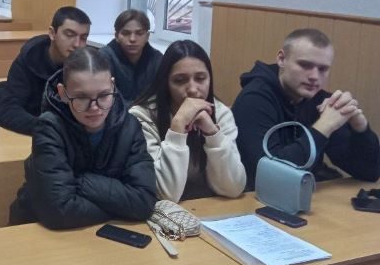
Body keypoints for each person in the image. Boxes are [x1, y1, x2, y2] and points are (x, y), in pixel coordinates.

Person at [9, 47, 157, 229]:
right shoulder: (49, 127)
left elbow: (144, 201)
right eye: (81, 97)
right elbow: (59, 211)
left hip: (98, 231)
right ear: (63, 93)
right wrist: (120, 208)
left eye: (103, 95)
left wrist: (80, 181)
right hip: (35, 228)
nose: (94, 107)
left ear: (112, 86)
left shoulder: (130, 126)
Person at [233, 28, 380, 189]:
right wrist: (324, 126)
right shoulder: (253, 99)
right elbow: (269, 177)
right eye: (305, 65)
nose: (314, 77)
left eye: (323, 69)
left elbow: (370, 172)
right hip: (257, 198)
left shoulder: (321, 101)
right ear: (281, 59)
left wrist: (360, 128)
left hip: (307, 192)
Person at [129, 40, 246, 202]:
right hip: (161, 211)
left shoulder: (220, 113)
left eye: (200, 78)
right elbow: (165, 194)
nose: (192, 89)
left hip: (205, 207)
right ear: (166, 83)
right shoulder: (142, 117)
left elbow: (233, 188)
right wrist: (177, 128)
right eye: (180, 80)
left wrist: (212, 133)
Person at [0, 6, 91, 135]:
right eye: (69, 35)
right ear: (52, 33)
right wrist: (51, 129)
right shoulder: (28, 60)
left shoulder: (87, 65)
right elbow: (9, 111)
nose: (77, 44)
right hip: (32, 132)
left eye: (83, 38)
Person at [99, 9, 162, 103]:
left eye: (139, 33)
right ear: (116, 36)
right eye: (126, 33)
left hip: (147, 111)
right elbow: (104, 98)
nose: (132, 39)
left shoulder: (156, 59)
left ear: (147, 36)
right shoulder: (104, 57)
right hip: (115, 111)